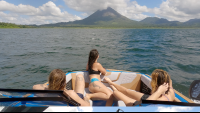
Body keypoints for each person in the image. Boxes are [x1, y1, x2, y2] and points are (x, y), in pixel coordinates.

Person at [104, 69, 178, 106]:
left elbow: (145, 105)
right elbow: (170, 81)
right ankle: (111, 83)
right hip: (150, 97)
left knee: (116, 92)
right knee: (127, 91)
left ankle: (112, 86)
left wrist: (159, 91)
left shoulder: (162, 99)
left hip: (139, 105)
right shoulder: (171, 91)